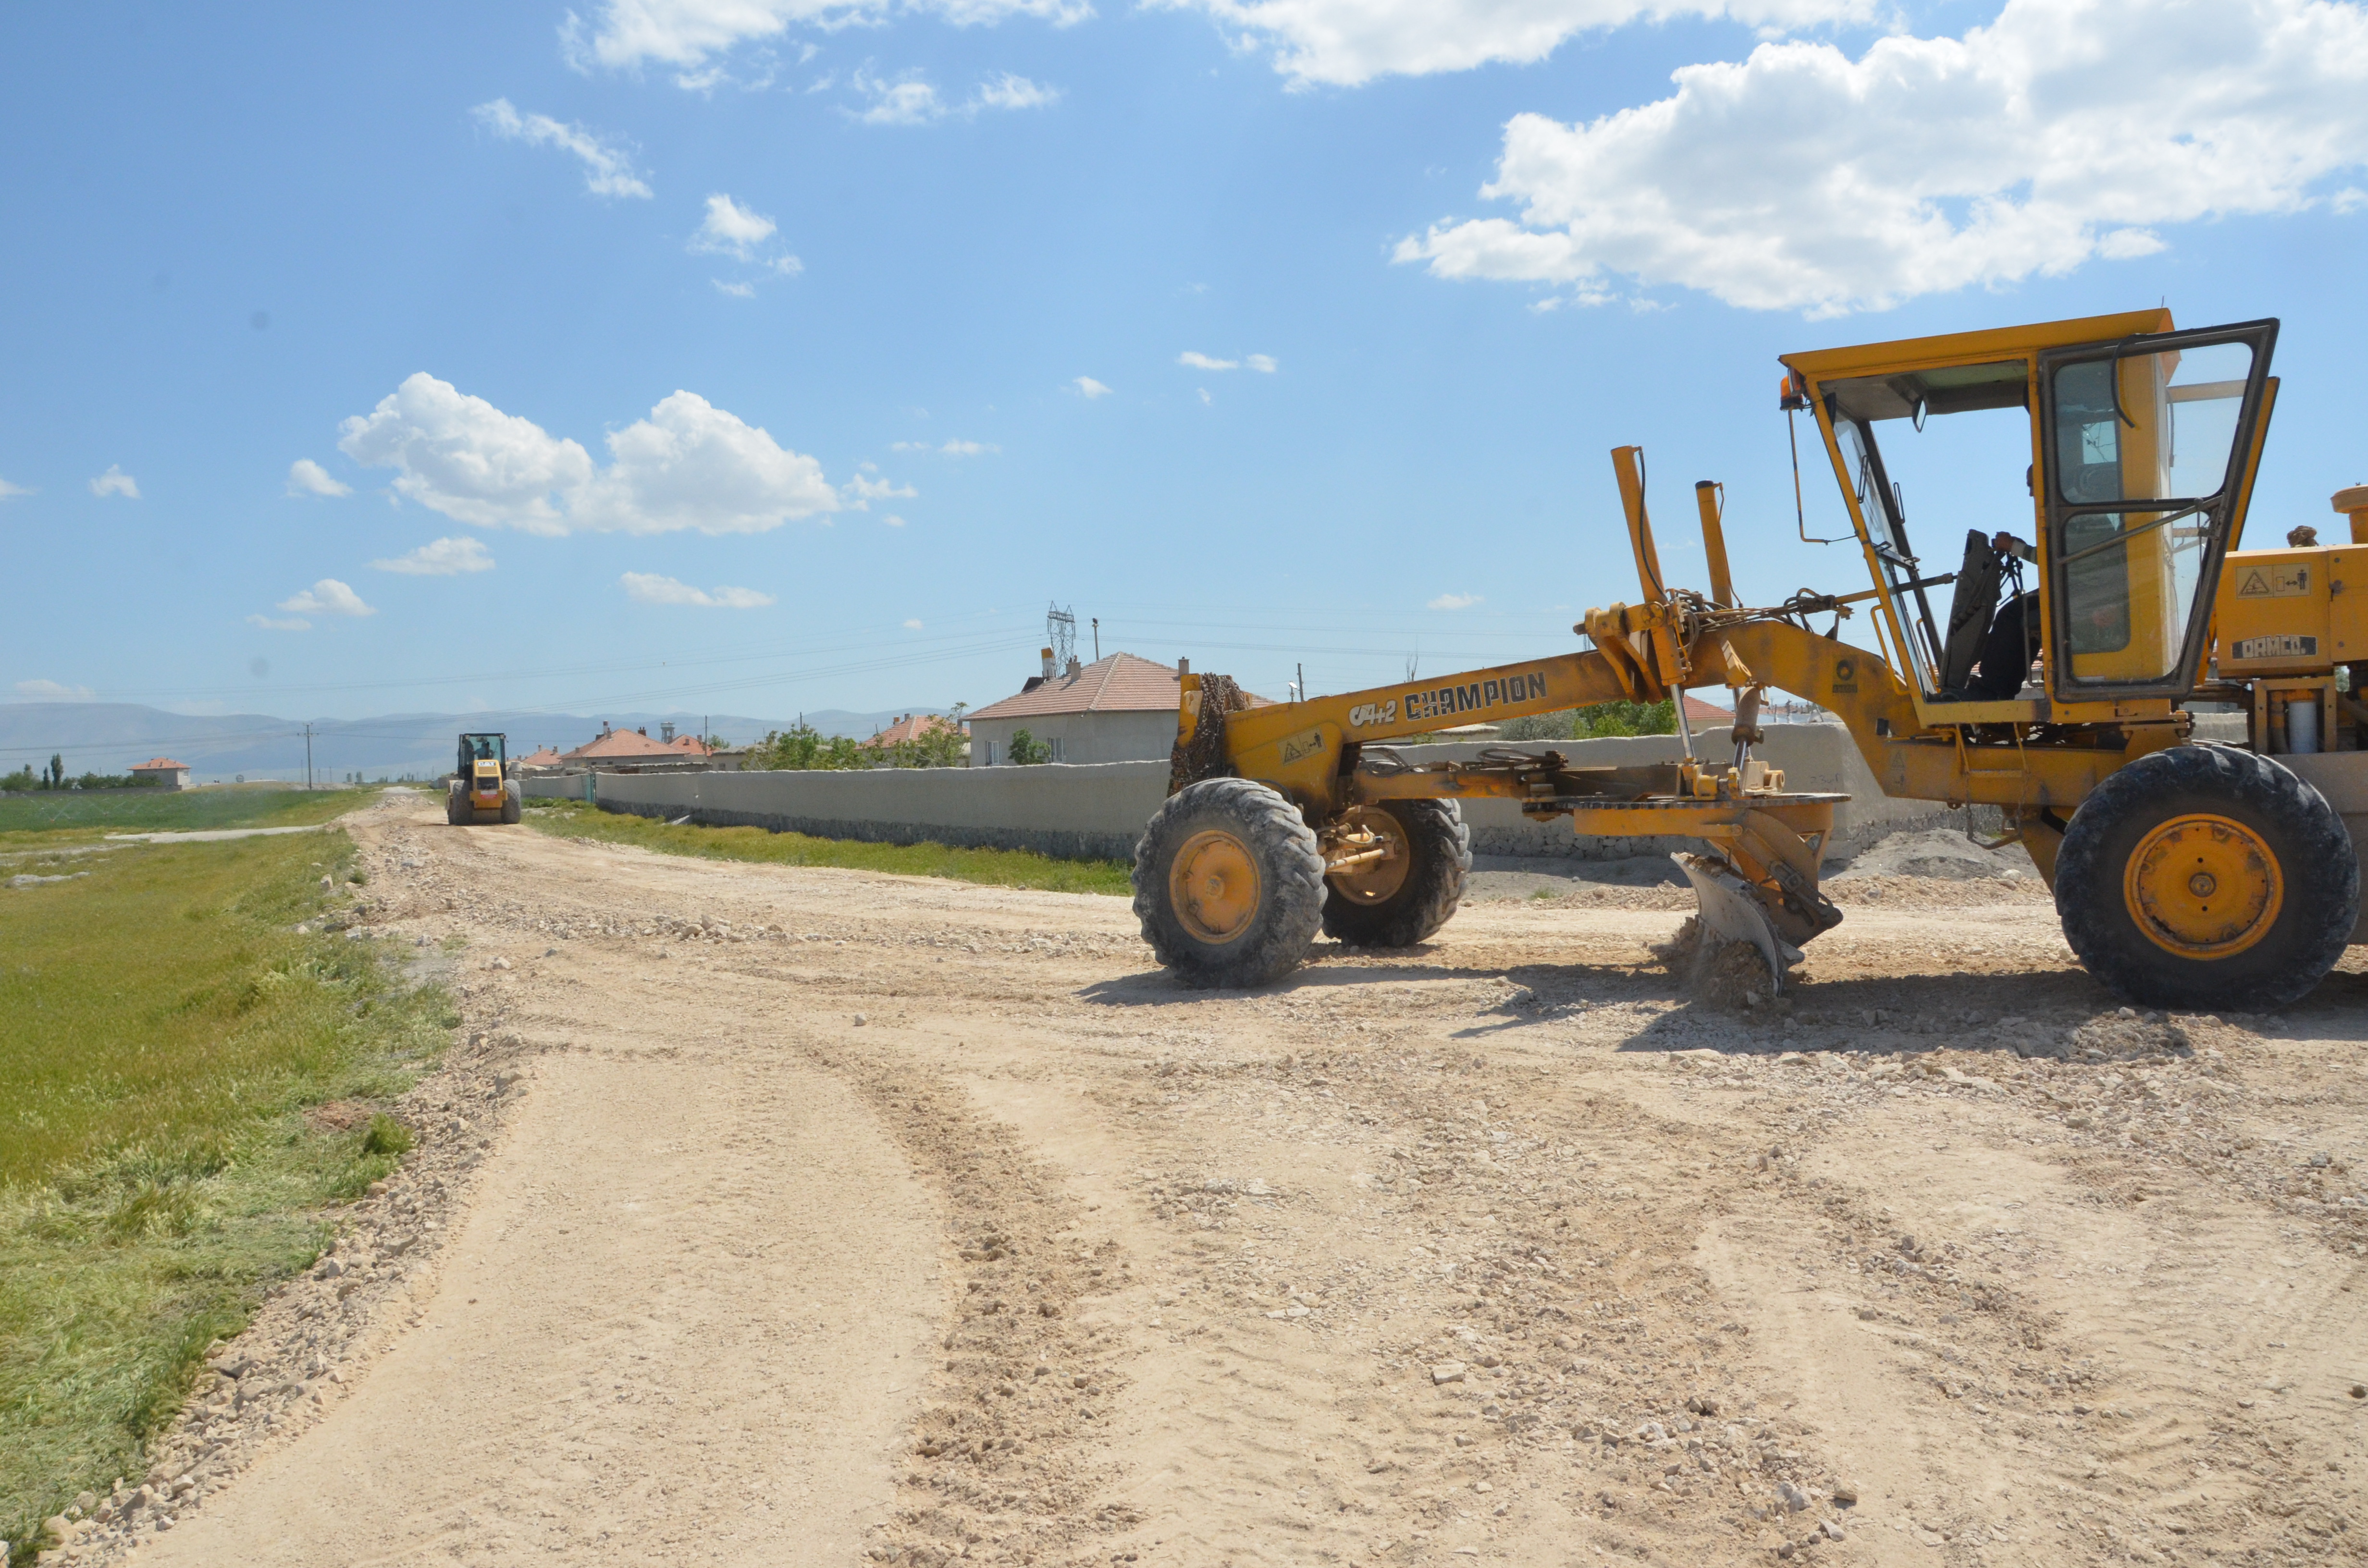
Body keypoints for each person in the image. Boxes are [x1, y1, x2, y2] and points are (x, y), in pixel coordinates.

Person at [1964, 531, 2040, 700]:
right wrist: (2017, 546)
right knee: (2025, 620)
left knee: (2011, 615)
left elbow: (2055, 555)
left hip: (2077, 594)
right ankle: (2003, 689)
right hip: (2080, 591)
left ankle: (1991, 689)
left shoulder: (2087, 524)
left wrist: (2014, 547)